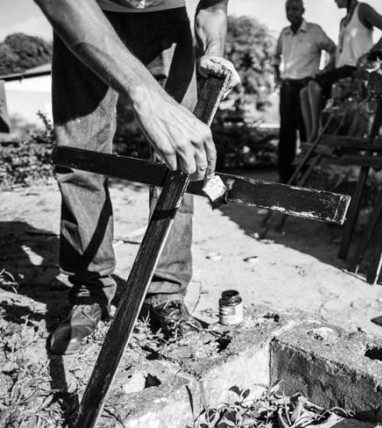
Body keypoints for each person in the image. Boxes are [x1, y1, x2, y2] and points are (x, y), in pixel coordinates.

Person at [33, 0, 241, 355]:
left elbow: (212, 8)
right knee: (81, 156)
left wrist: (214, 50)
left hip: (167, 25)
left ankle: (166, 292)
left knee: (180, 165)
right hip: (86, 13)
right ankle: (90, 290)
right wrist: (144, 94)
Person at [300, 0, 382, 142]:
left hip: (354, 68)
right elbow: (340, 51)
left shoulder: (362, 9)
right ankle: (310, 136)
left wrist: (369, 54)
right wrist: (326, 69)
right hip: (340, 69)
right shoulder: (343, 21)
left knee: (314, 86)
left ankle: (316, 133)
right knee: (303, 92)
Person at [272, 0, 336, 182]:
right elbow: (275, 56)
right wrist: (276, 75)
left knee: (306, 132)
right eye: (288, 9)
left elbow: (333, 49)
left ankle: (307, 175)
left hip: (305, 89)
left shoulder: (314, 31)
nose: (291, 12)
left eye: (295, 9)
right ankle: (285, 176)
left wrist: (325, 71)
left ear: (303, 11)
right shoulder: (284, 33)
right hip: (286, 89)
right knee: (286, 133)